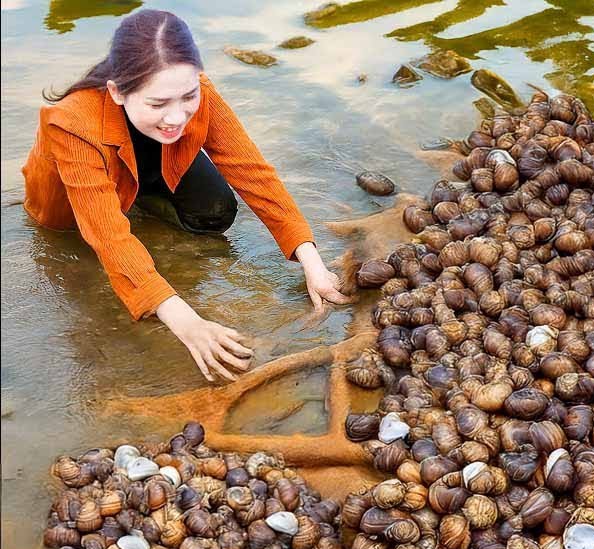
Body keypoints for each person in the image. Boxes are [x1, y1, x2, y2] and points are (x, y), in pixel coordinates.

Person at [22, 9, 352, 383]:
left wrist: (311, 260)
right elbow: (108, 236)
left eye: (188, 97)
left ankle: (141, 200)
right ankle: (130, 202)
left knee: (215, 212)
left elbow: (251, 169)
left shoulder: (194, 89)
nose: (177, 116)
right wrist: (187, 320)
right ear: (117, 92)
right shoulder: (70, 122)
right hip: (69, 199)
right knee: (77, 249)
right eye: (158, 103)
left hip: (155, 158)